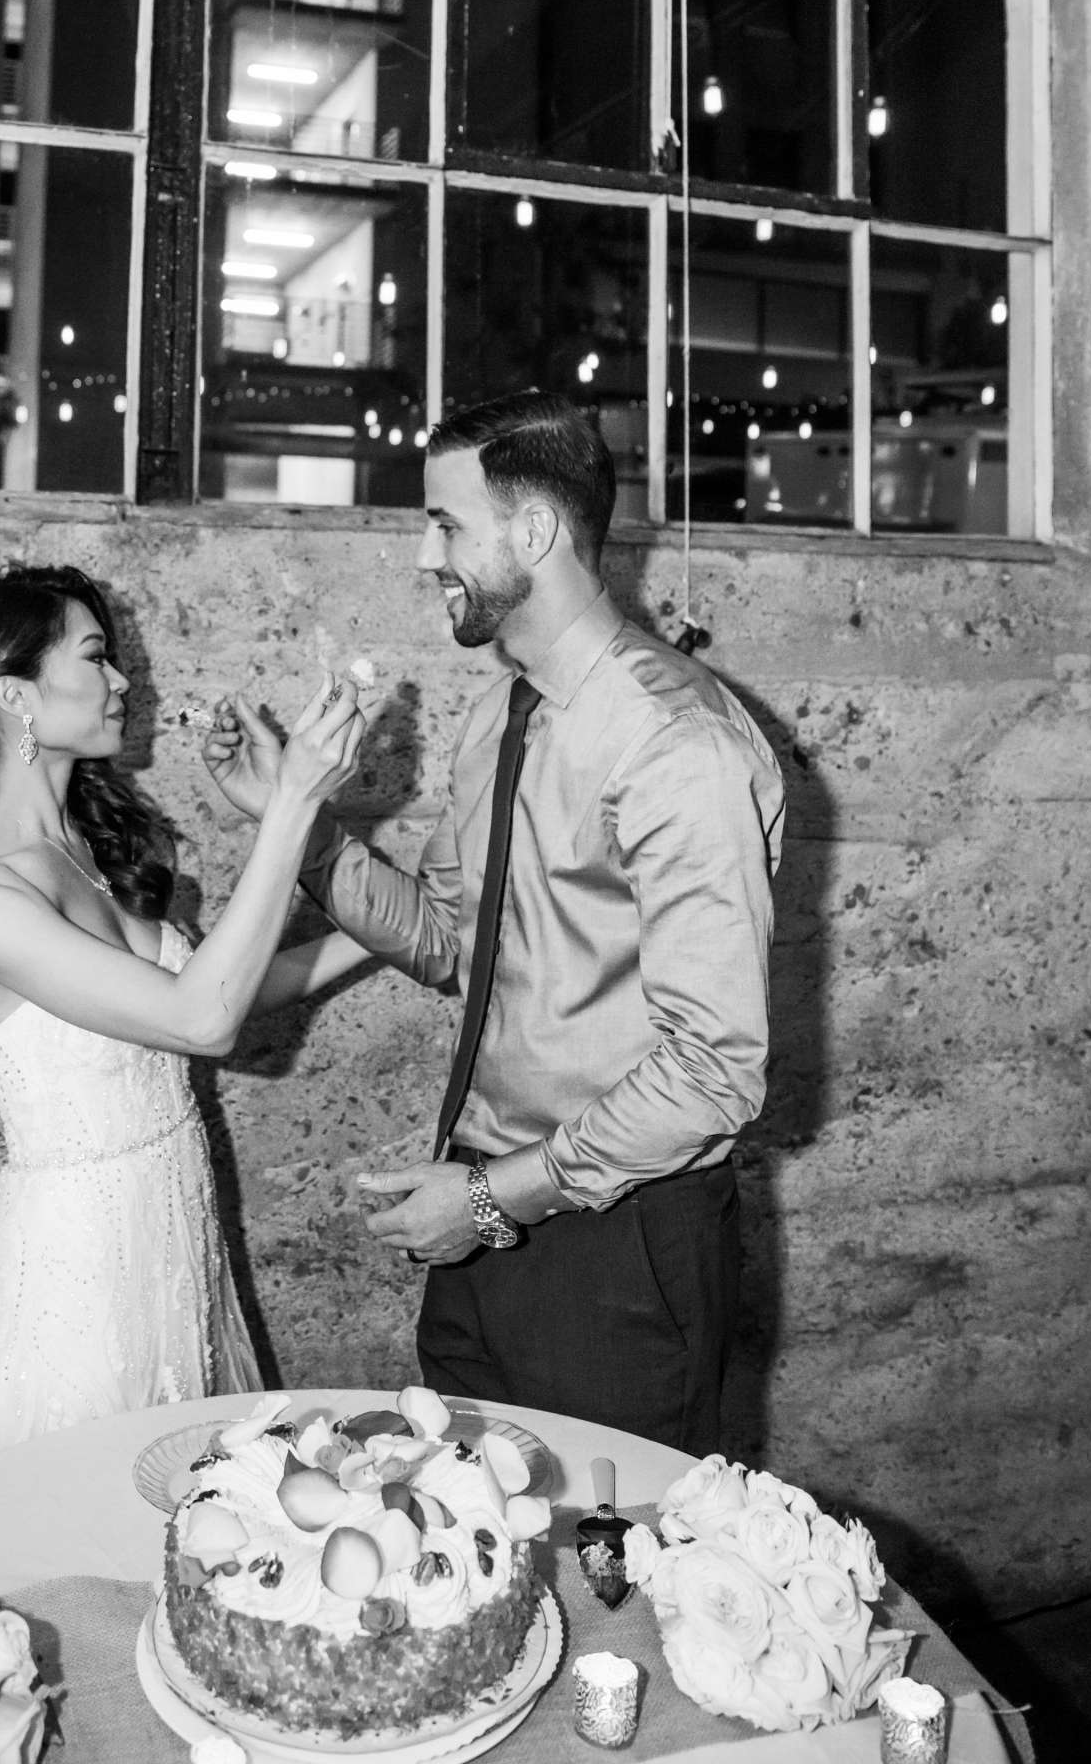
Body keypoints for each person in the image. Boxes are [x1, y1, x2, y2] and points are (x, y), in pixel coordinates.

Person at [204, 391, 784, 1453]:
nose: (426, 556)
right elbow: (442, 938)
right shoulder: (496, 713)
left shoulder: (677, 745)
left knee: (620, 1571)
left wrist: (490, 1200)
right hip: (483, 1208)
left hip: (620, 1238)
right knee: (482, 1534)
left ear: (532, 533)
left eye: (446, 524)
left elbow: (715, 1071)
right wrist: (300, 827)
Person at [0, 563, 369, 1488]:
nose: (124, 682)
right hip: (78, 1273)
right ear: (12, 694)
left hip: (172, 1227)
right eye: (97, 657)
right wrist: (294, 802)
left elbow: (220, 986)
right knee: (77, 1522)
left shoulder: (85, 845)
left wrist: (402, 934)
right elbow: (204, 1020)